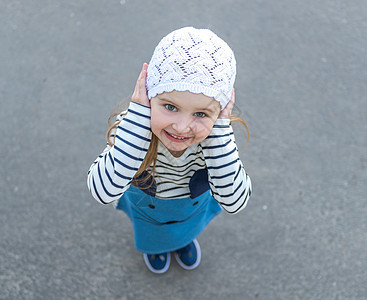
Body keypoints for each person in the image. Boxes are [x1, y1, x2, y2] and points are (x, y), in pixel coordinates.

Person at [87, 27, 252, 274]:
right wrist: (138, 120)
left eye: (201, 113)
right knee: (152, 235)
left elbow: (235, 202)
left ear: (220, 111)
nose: (182, 127)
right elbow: (102, 192)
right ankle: (155, 248)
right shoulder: (130, 126)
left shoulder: (216, 139)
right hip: (148, 212)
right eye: (170, 107)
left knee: (187, 229)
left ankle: (183, 241)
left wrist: (217, 128)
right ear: (149, 95)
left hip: (190, 211)